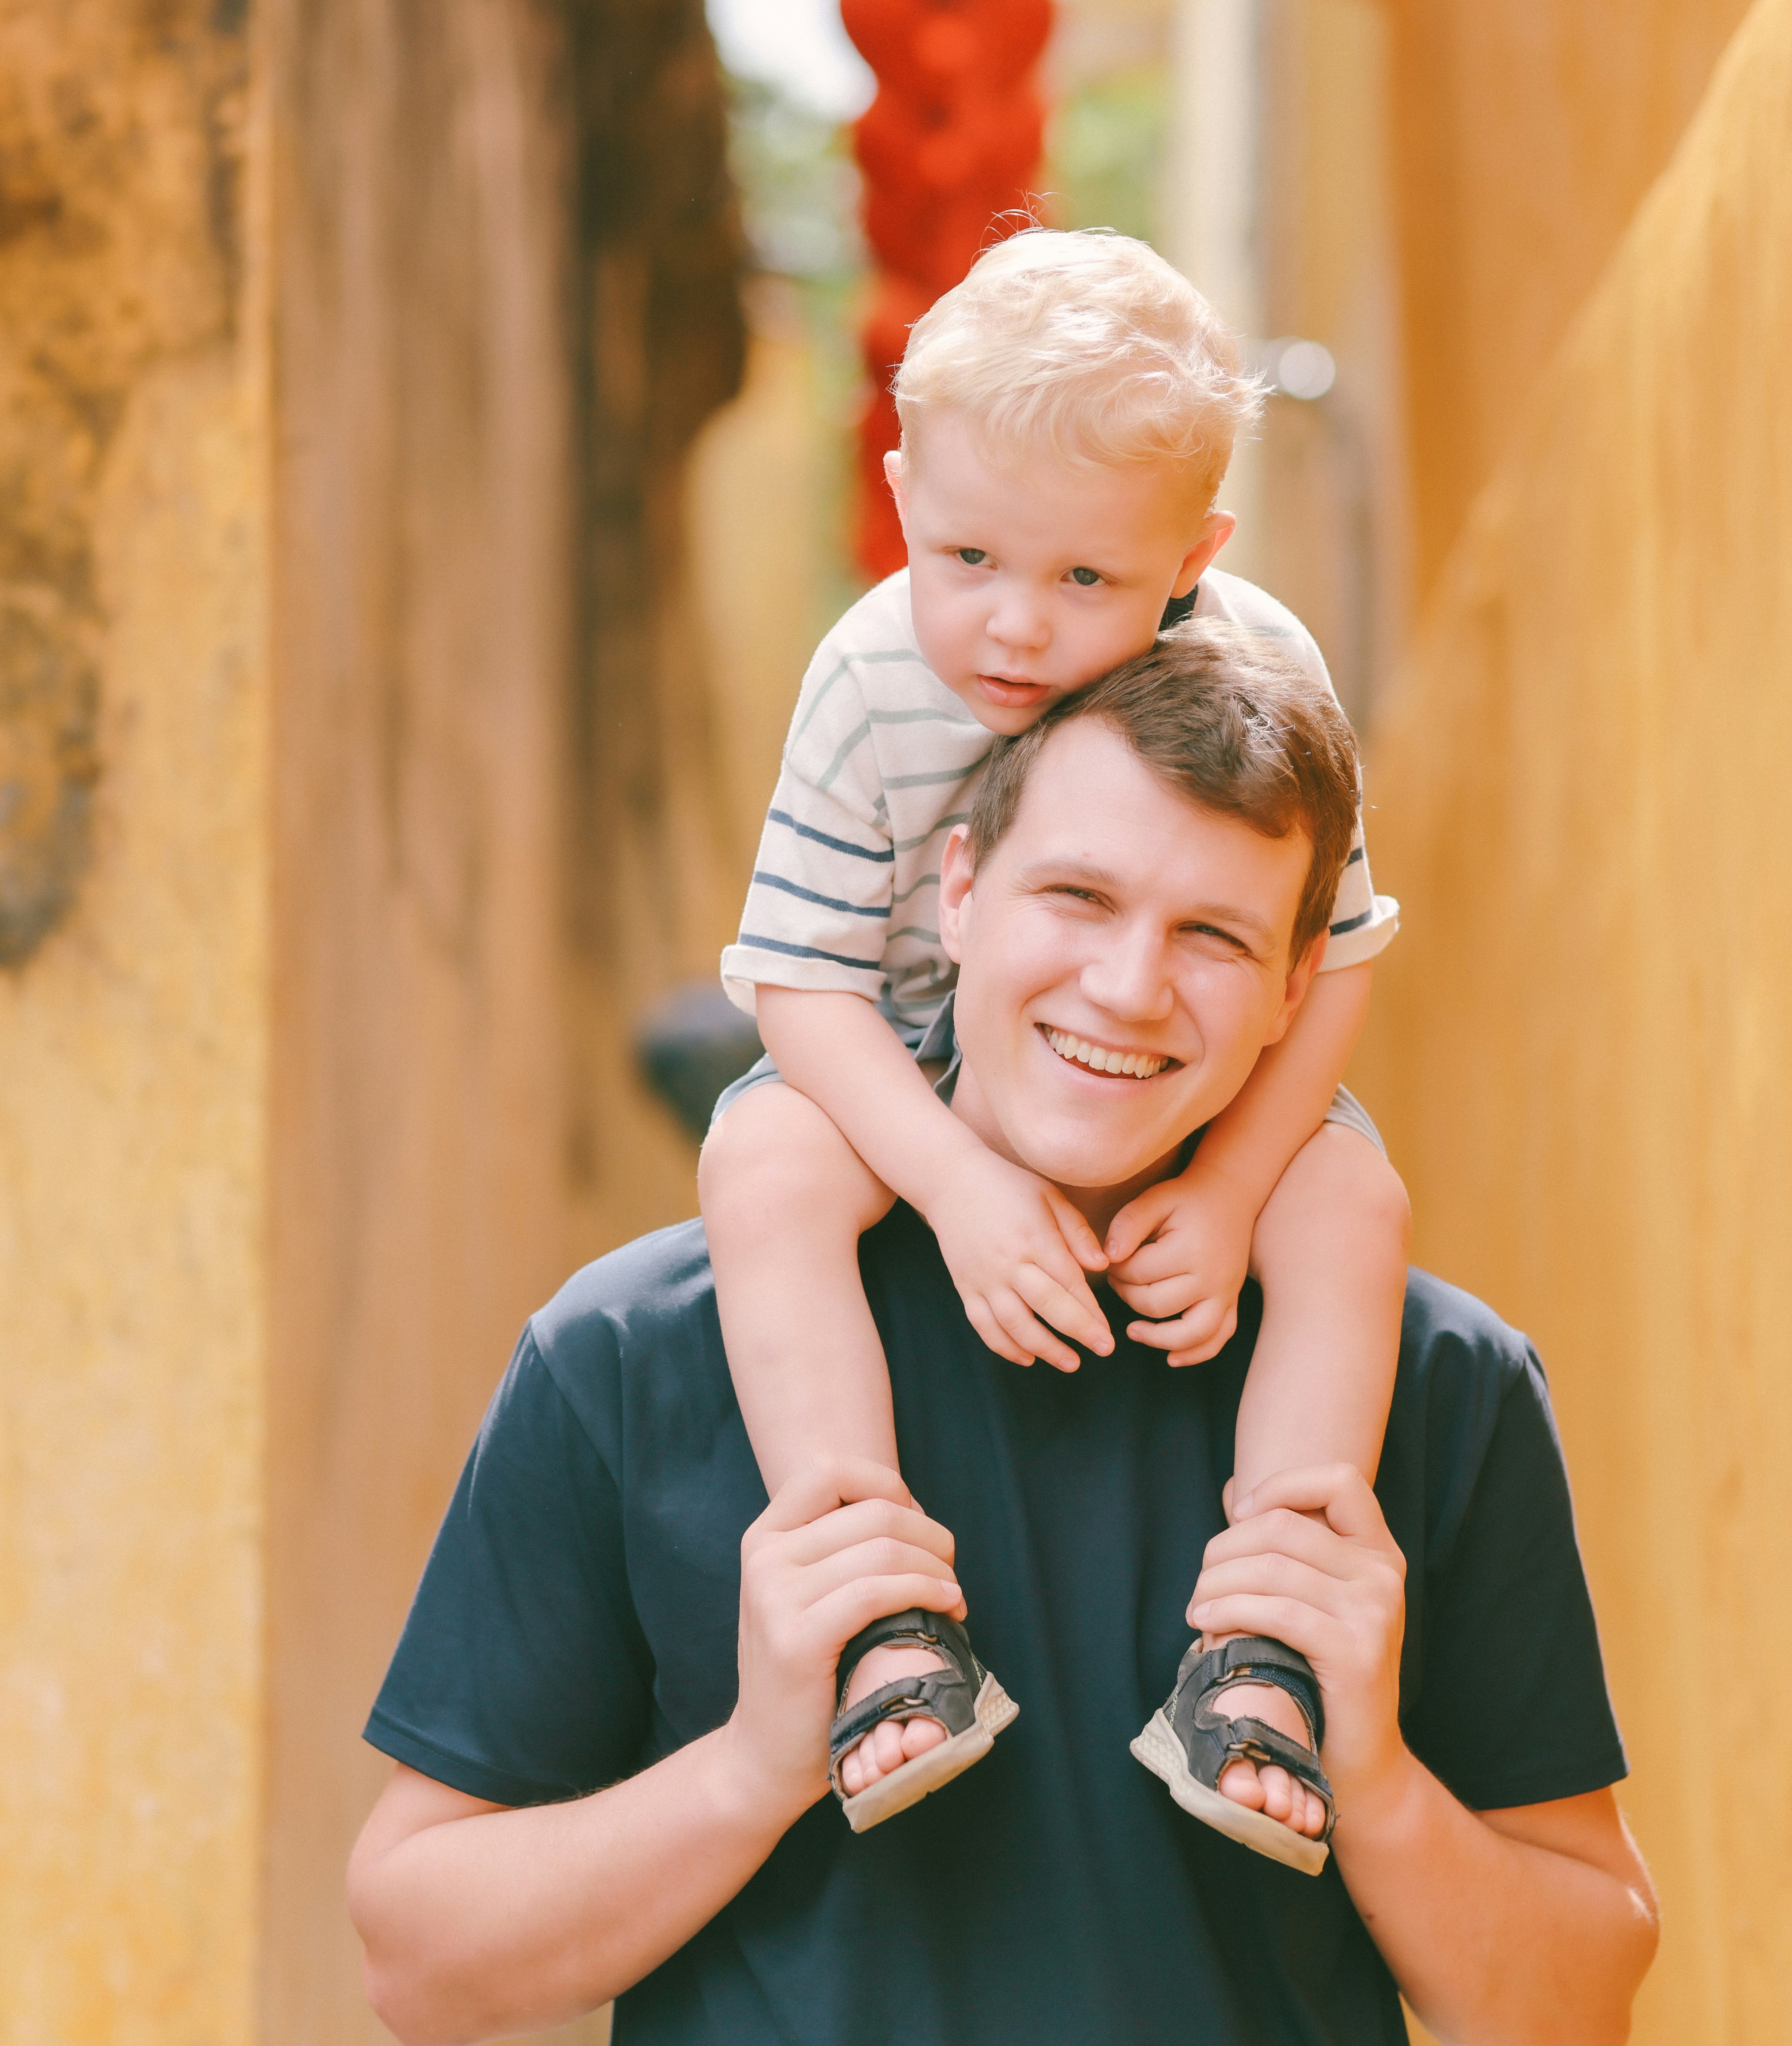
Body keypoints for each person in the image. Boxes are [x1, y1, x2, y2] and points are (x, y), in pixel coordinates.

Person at [348, 638, 1657, 2043]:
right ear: (960, 891)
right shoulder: (632, 1354)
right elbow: (419, 1963)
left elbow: (1580, 2002)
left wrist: (1379, 1780)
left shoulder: (1438, 1380)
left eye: (1215, 937)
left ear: (1296, 987)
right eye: (1078, 897)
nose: (1130, 987)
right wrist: (749, 1770)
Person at [698, 228, 1411, 1850]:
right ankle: (877, 1608)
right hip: (903, 1067)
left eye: (1085, 579)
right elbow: (799, 980)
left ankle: (1264, 1646)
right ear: (901, 493)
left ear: (1192, 552)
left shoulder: (1259, 670)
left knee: (1351, 1204)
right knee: (761, 1163)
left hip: (1179, 1085)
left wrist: (1231, 1190)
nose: (1013, 627)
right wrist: (953, 1184)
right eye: (966, 556)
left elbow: (1335, 962)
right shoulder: (869, 678)